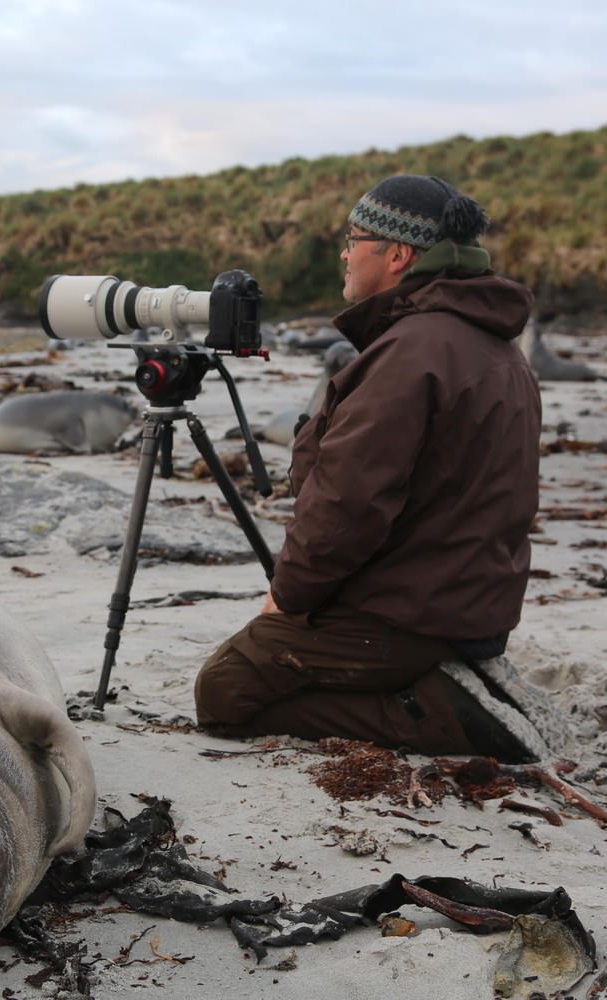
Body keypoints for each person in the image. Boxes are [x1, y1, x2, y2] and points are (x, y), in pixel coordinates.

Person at [193, 174, 542, 760]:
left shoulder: (412, 352)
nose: (345, 253)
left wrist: (290, 596)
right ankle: (435, 684)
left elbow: (347, 504)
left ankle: (438, 714)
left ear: (398, 254)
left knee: (226, 687)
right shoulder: (490, 345)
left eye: (355, 238)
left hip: (411, 614)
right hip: (469, 605)